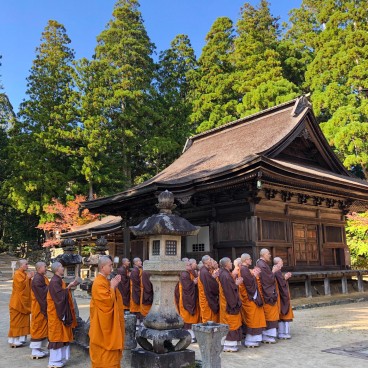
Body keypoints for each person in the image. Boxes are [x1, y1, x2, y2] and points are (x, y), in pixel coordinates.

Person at [89, 256, 125, 368]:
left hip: (110, 326)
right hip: (102, 327)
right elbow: (107, 303)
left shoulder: (105, 281)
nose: (112, 268)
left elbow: (113, 298)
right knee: (104, 356)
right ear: (103, 267)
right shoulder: (98, 282)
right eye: (110, 265)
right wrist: (113, 287)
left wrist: (114, 286)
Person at [47, 262, 78, 368]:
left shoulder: (58, 280)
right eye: (61, 267)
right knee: (57, 336)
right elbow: (58, 298)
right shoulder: (55, 281)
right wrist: (68, 287)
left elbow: (61, 294)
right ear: (56, 270)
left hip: (59, 311)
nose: (62, 268)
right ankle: (54, 361)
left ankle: (59, 360)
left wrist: (68, 287)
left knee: (61, 335)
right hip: (56, 313)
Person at [239, 253, 266, 348]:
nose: (251, 260)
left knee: (256, 317)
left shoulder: (244, 269)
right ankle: (250, 340)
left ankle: (254, 339)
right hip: (250, 298)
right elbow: (249, 284)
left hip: (250, 297)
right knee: (253, 318)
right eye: (250, 259)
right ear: (246, 260)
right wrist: (254, 276)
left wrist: (253, 275)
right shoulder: (244, 269)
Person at [218, 257, 243, 352]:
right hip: (229, 304)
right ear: (226, 264)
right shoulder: (225, 275)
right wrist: (236, 284)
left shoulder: (225, 273)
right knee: (230, 323)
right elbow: (229, 291)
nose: (232, 263)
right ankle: (229, 345)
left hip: (226, 303)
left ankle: (230, 344)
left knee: (231, 322)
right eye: (230, 262)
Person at [256, 248, 280, 344]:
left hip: (268, 291)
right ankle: (267, 335)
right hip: (267, 294)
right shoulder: (261, 265)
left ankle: (269, 334)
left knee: (271, 314)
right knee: (269, 315)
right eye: (268, 254)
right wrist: (273, 272)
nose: (270, 255)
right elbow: (267, 280)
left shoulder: (263, 264)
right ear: (263, 255)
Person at [8, 259, 33, 348]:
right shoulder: (17, 274)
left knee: (23, 321)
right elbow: (20, 287)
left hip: (23, 303)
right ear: (21, 265)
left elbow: (28, 287)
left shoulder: (24, 274)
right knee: (16, 322)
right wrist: (28, 278)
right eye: (26, 264)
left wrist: (29, 278)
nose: (27, 266)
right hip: (17, 302)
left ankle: (21, 339)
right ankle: (13, 340)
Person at [30, 261, 49, 358]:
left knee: (42, 326)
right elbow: (41, 294)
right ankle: (35, 350)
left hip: (41, 305)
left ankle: (39, 349)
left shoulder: (42, 277)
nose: (46, 268)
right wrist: (50, 287)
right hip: (39, 306)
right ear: (39, 269)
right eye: (45, 267)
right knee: (38, 326)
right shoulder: (37, 279)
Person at [178, 260, 200, 343]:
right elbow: (187, 287)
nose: (190, 265)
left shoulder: (188, 273)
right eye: (189, 264)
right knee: (188, 317)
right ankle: (190, 336)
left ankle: (192, 335)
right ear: (184, 266)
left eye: (190, 264)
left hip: (189, 297)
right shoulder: (184, 274)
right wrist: (193, 282)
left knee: (191, 317)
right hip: (186, 299)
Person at [273, 257, 294, 339]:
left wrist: (285, 278)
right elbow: (281, 284)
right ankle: (284, 333)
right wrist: (285, 278)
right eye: (281, 261)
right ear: (278, 263)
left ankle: (282, 332)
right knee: (284, 313)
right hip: (281, 297)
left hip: (281, 296)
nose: (282, 262)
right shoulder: (276, 271)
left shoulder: (277, 271)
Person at [198, 255, 219, 323]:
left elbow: (208, 283)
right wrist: (213, 279)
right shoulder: (204, 272)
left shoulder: (205, 271)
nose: (211, 262)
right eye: (210, 260)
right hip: (207, 298)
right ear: (206, 262)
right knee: (209, 319)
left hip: (207, 297)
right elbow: (210, 286)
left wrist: (212, 277)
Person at [130, 258, 142, 324]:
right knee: (135, 304)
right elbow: (136, 282)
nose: (141, 262)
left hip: (137, 289)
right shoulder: (135, 271)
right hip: (135, 290)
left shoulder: (138, 270)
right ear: (135, 263)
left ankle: (137, 320)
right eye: (139, 261)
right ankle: (136, 321)